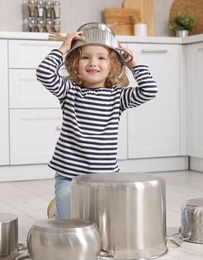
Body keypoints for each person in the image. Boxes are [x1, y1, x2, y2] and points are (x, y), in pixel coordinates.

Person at [36, 26, 158, 219]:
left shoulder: (117, 96)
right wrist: (63, 49)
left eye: (101, 58)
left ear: (113, 66)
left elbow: (149, 90)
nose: (93, 63)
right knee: (71, 223)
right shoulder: (69, 91)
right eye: (85, 57)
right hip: (70, 175)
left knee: (105, 221)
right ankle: (59, 210)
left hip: (105, 176)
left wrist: (133, 64)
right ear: (76, 64)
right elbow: (44, 73)